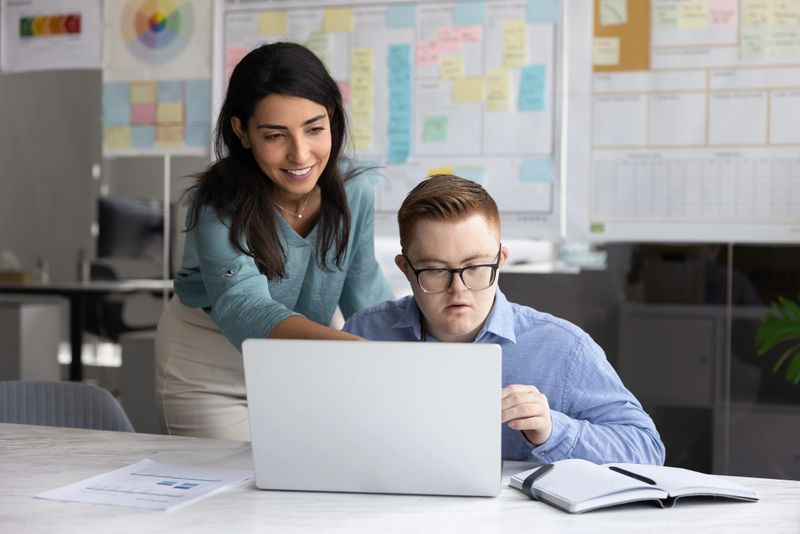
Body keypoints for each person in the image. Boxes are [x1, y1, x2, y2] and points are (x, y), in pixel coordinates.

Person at [155, 42, 393, 441]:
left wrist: (420, 352)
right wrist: (352, 348)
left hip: (303, 358)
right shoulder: (216, 202)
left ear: (332, 117)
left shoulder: (356, 190)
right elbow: (243, 307)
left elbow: (365, 291)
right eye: (275, 135)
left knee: (310, 471)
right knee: (229, 478)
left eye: (314, 129)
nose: (300, 155)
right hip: (211, 366)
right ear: (242, 132)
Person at [343, 175, 665, 465]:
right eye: (436, 270)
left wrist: (552, 430)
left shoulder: (565, 349)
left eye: (475, 267)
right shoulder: (364, 333)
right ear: (405, 269)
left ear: (501, 260)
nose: (459, 289)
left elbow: (646, 448)